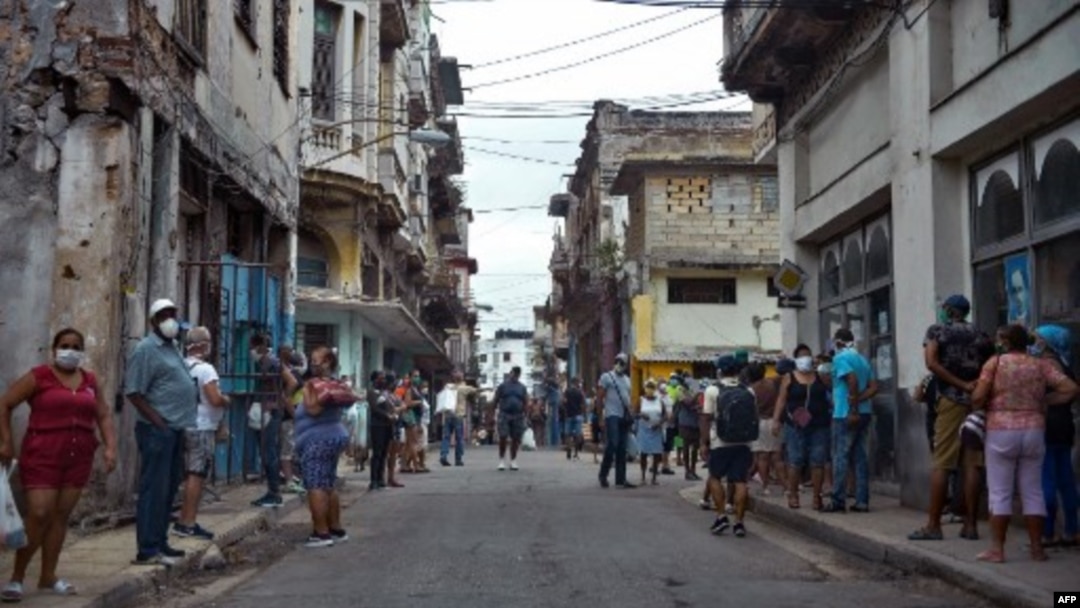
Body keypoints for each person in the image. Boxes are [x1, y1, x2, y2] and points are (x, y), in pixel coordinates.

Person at [0, 328, 117, 600]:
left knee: (60, 517)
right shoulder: (39, 376)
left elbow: (103, 414)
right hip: (42, 455)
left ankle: (48, 576)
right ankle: (17, 577)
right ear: (54, 350)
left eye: (76, 346)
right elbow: (5, 404)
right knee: (39, 513)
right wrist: (6, 441)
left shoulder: (89, 380)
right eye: (64, 345)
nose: (70, 350)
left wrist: (110, 447)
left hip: (78, 457)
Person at [971, 324, 1078, 563]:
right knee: (1033, 491)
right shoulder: (1040, 364)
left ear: (1005, 342)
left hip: (1001, 431)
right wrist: (1044, 401)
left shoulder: (995, 363)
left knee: (1000, 492)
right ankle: (1038, 549)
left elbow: (978, 398)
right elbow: (1070, 389)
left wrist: (985, 400)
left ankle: (997, 550)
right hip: (1034, 431)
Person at [909, 295, 994, 541]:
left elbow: (931, 363)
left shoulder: (937, 331)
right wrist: (976, 387)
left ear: (948, 310)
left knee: (942, 462)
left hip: (950, 400)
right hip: (976, 404)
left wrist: (962, 385)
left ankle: (933, 525)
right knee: (972, 463)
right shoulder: (981, 333)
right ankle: (970, 525)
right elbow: (990, 365)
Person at [124, 298, 198, 565]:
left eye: (172, 314)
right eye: (163, 315)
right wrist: (159, 423)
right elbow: (134, 391)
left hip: (176, 428)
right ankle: (147, 548)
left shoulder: (173, 346)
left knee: (167, 490)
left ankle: (161, 541)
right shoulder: (146, 349)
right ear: (153, 321)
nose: (170, 320)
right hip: (158, 430)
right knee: (154, 489)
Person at [172, 327, 233, 541]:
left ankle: (184, 520)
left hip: (184, 424)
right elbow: (214, 399)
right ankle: (187, 522)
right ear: (203, 344)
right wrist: (226, 400)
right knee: (196, 476)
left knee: (188, 473)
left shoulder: (181, 365)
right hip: (202, 426)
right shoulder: (205, 370)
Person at [296, 346, 351, 548]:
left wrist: (307, 390)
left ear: (328, 362)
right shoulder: (335, 384)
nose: (312, 363)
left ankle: (321, 533)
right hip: (334, 436)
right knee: (328, 484)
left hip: (318, 440)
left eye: (316, 359)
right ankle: (335, 528)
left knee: (316, 485)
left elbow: (312, 409)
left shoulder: (314, 384)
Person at [1032, 325, 1078, 547]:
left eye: (1038, 338)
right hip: (1065, 427)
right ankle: (1072, 529)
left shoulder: (1047, 364)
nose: (1035, 342)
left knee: (1047, 481)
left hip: (1048, 427)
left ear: (1047, 342)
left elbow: (1070, 390)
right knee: (1066, 480)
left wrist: (1046, 401)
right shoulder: (1065, 364)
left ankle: (1047, 533)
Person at [822, 328, 877, 513]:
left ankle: (838, 500)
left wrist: (852, 407)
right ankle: (862, 501)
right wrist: (859, 401)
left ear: (838, 342)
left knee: (840, 457)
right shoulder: (862, 359)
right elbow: (873, 387)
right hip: (865, 413)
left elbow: (851, 379)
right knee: (860, 458)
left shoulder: (839, 359)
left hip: (844, 414)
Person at [702, 356, 755, 537]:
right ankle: (739, 523)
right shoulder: (748, 390)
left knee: (715, 477)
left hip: (720, 442)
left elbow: (706, 417)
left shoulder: (712, 390)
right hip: (744, 442)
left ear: (720, 371)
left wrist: (704, 443)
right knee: (741, 482)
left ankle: (721, 516)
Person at [772, 345, 831, 510]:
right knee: (795, 460)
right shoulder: (789, 378)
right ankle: (793, 494)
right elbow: (781, 400)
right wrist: (776, 420)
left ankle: (816, 496)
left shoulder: (820, 377)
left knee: (818, 460)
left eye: (808, 355)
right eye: (802, 355)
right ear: (796, 359)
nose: (806, 358)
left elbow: (831, 391)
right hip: (795, 425)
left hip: (819, 424)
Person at [249, 334, 291, 508]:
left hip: (270, 413)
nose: (251, 351)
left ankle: (274, 493)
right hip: (265, 411)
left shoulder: (272, 362)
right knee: (266, 452)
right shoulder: (263, 363)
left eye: (253, 347)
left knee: (269, 453)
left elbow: (292, 382)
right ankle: (272, 491)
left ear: (261, 347)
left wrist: (277, 402)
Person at [597, 354, 634, 489]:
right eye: (618, 361)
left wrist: (631, 414)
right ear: (614, 362)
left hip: (624, 417)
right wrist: (600, 417)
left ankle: (621, 479)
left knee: (622, 448)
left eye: (623, 362)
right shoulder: (607, 377)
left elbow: (628, 400)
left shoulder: (627, 380)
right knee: (612, 443)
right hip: (612, 414)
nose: (620, 364)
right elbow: (599, 398)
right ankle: (603, 474)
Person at [746, 362, 783, 495]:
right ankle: (786, 487)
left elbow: (751, 410)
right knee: (777, 457)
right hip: (775, 421)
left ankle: (765, 486)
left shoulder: (751, 390)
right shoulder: (772, 385)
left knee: (762, 457)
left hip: (760, 423)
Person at [437, 371, 478, 467]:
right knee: (459, 438)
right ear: (462, 378)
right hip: (458, 416)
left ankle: (443, 455)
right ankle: (458, 459)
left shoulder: (448, 387)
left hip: (448, 414)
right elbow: (476, 390)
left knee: (446, 437)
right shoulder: (465, 388)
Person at [494, 367, 528, 471]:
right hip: (504, 414)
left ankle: (513, 460)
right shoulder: (502, 386)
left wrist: (526, 415)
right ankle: (501, 460)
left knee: (516, 439)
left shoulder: (522, 387)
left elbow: (525, 401)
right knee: (503, 437)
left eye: (517, 374)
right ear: (510, 373)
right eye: (514, 373)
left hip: (518, 415)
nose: (515, 375)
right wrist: (492, 415)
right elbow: (495, 400)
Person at [366, 370, 395, 490]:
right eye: (380, 378)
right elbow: (374, 408)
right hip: (377, 426)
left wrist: (393, 414)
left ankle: (381, 479)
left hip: (387, 425)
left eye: (384, 378)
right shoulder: (372, 392)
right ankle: (373, 481)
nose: (383, 380)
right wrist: (387, 415)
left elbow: (391, 405)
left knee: (384, 453)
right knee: (377, 453)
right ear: (374, 380)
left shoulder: (385, 392)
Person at [636, 379, 667, 486]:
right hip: (644, 430)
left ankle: (654, 477)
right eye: (648, 387)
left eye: (652, 387)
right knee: (643, 453)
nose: (649, 389)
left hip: (656, 429)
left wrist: (659, 424)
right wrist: (641, 415)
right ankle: (643, 477)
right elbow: (634, 413)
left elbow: (665, 416)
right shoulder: (641, 400)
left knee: (657, 454)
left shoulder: (659, 401)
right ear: (645, 389)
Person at [674, 375, 702, 482]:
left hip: (695, 423)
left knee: (695, 448)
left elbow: (697, 404)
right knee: (683, 446)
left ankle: (693, 471)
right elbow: (688, 403)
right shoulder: (679, 390)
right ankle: (687, 471)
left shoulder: (692, 390)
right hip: (683, 423)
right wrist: (697, 394)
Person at [561, 377, 586, 461]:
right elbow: (583, 404)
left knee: (568, 434)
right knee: (578, 434)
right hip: (578, 415)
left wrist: (566, 408)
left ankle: (568, 449)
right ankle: (576, 452)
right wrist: (583, 414)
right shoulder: (580, 392)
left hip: (569, 415)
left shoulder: (567, 391)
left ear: (571, 383)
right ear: (577, 383)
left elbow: (563, 401)